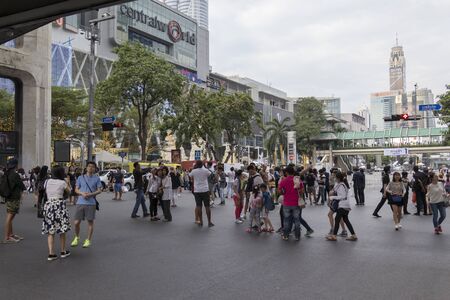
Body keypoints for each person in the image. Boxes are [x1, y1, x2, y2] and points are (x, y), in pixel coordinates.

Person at [42, 165, 71, 261]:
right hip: (59, 205)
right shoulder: (62, 182)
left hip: (49, 205)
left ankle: (51, 253)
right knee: (62, 230)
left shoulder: (47, 181)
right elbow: (69, 192)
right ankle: (63, 251)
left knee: (51, 230)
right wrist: (68, 182)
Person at [71, 161, 102, 248]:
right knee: (76, 222)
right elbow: (76, 189)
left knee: (90, 222)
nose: (90, 168)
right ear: (86, 168)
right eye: (89, 166)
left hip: (91, 203)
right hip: (80, 202)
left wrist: (90, 194)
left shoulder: (96, 178)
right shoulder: (80, 178)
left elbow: (99, 190)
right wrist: (82, 194)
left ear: (95, 169)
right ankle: (76, 237)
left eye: (92, 167)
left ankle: (88, 240)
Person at [326, 171, 358, 241]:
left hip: (342, 205)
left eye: (335, 177)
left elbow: (342, 196)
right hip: (345, 205)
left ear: (338, 178)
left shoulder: (341, 185)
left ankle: (334, 236)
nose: (334, 179)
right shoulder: (342, 184)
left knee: (337, 219)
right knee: (346, 220)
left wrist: (332, 197)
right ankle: (353, 235)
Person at [2, 158, 26, 243]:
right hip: (14, 197)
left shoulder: (6, 173)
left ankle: (11, 234)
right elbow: (21, 185)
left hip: (8, 197)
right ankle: (7, 237)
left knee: (10, 216)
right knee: (10, 217)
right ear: (16, 165)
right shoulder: (14, 175)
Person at [278, 166, 302, 241]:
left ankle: (286, 235)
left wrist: (284, 192)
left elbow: (279, 191)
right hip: (296, 203)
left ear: (286, 172)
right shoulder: (297, 180)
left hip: (286, 203)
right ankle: (297, 236)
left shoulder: (284, 181)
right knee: (297, 220)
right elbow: (302, 191)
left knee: (286, 220)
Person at [189, 161, 214, 227]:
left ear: (196, 164)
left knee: (199, 206)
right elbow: (210, 174)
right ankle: (209, 222)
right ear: (202, 164)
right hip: (205, 190)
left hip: (197, 191)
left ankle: (201, 221)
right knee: (207, 206)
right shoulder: (206, 170)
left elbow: (190, 176)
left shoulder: (194, 171)